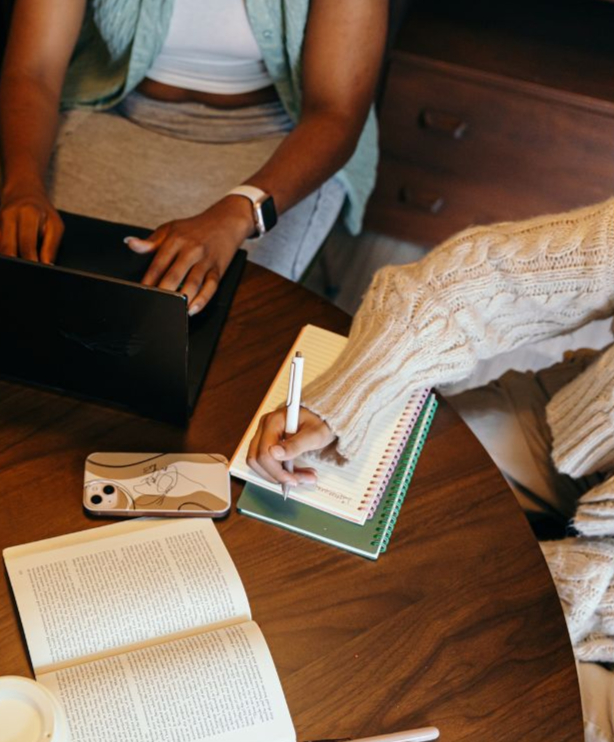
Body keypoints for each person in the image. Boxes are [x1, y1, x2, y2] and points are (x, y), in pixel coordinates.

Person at [247, 198, 614, 742]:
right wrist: (346, 398)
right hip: (584, 422)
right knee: (366, 482)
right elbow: (481, 280)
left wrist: (512, 578)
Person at [0, 0, 386, 314]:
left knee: (224, 328)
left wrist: (237, 211)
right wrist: (22, 188)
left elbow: (336, 113)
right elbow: (33, 70)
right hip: (117, 109)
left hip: (279, 141)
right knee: (39, 298)